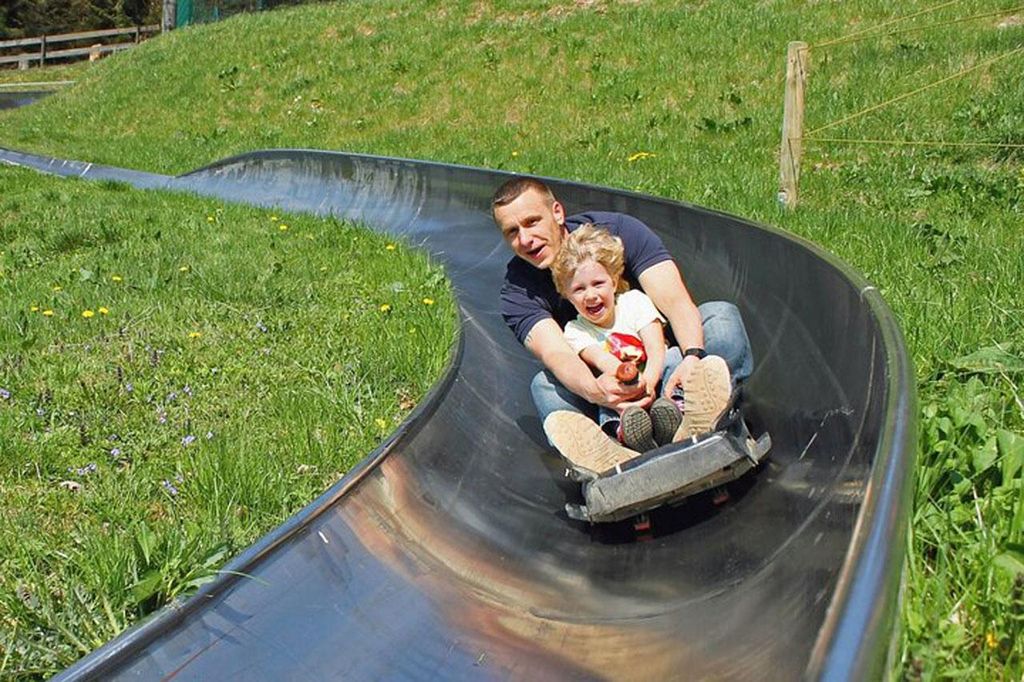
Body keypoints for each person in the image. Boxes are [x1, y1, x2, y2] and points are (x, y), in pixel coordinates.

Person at [493, 176, 753, 470]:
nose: (525, 239)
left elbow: (676, 302)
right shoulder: (518, 292)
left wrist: (692, 357)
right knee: (544, 386)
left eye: (531, 222)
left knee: (720, 316)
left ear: (557, 212)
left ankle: (701, 415)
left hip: (666, 363)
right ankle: (611, 454)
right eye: (512, 232)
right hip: (604, 390)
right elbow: (557, 354)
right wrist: (599, 392)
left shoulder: (619, 233)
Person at [551, 223, 689, 453]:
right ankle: (624, 432)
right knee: (604, 391)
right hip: (622, 394)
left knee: (673, 355)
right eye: (579, 289)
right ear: (567, 296)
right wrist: (628, 383)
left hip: (656, 379)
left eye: (598, 284)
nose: (591, 295)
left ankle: (675, 407)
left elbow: (656, 347)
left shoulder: (633, 302)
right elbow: (601, 360)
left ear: (613, 282)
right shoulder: (575, 330)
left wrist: (650, 381)